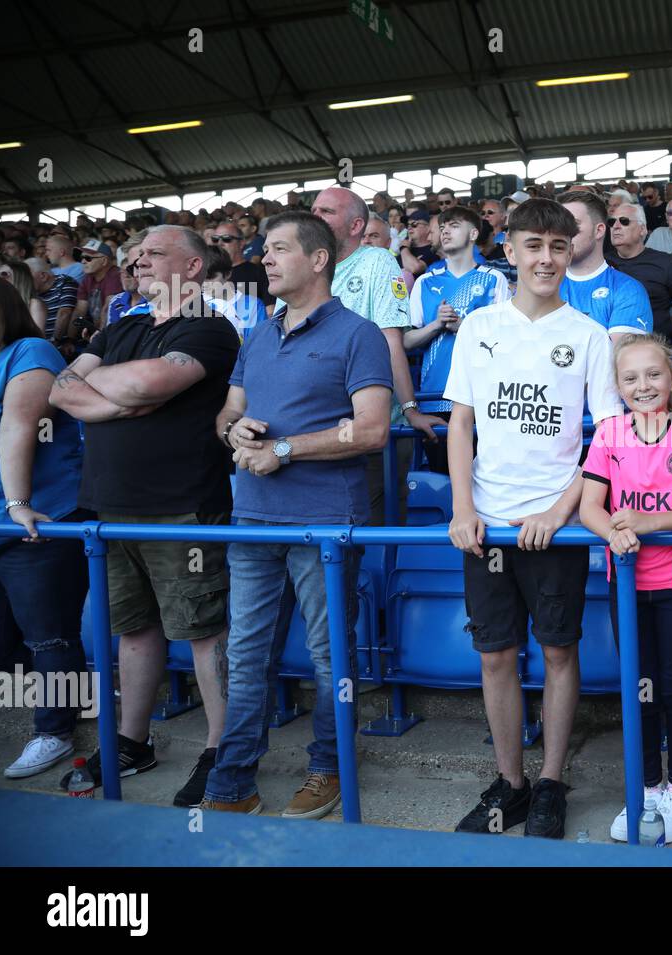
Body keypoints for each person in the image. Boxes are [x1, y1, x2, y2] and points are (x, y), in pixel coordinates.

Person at [202, 212, 393, 818]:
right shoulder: (256, 335)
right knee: (245, 652)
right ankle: (233, 781)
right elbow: (225, 415)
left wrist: (282, 449)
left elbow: (372, 431)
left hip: (325, 521)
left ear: (318, 259)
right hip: (253, 517)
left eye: (279, 249)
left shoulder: (359, 333)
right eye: (264, 250)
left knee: (329, 655)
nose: (265, 258)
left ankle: (329, 769)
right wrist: (239, 433)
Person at [46, 224, 240, 807]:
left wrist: (108, 387)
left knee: (204, 633)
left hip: (183, 506)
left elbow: (151, 380)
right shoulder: (122, 326)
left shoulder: (211, 329)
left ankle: (222, 751)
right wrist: (126, 396)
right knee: (133, 630)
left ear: (196, 267)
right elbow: (60, 390)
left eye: (155, 253)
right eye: (135, 257)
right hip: (111, 508)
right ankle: (132, 740)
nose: (139, 263)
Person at [445, 198, 620, 839]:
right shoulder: (477, 326)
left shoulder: (589, 335)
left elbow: (606, 441)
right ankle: (509, 783)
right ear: (511, 251)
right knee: (495, 656)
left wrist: (557, 509)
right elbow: (460, 422)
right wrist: (463, 507)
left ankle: (550, 782)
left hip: (558, 526)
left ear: (570, 250)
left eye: (557, 245)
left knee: (557, 650)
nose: (546, 258)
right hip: (487, 525)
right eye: (533, 245)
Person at [580, 333, 672, 844]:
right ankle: (642, 788)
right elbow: (590, 505)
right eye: (631, 377)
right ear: (617, 386)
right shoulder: (609, 434)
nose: (643, 385)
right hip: (626, 584)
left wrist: (646, 522)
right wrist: (614, 531)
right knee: (637, 687)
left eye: (653, 374)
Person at [0, 281, 90, 780]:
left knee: (48, 637)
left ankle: (54, 730)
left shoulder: (31, 350)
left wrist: (17, 503)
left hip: (39, 518)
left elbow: (19, 425)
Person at [311, 185, 443, 521]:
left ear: (355, 226)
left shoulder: (377, 260)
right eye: (314, 209)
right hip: (309, 429)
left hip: (365, 433)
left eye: (327, 211)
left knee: (367, 538)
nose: (315, 216)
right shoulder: (303, 267)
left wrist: (410, 408)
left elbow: (390, 340)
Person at [403, 205, 511, 472]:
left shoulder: (493, 279)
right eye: (442, 227)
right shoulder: (425, 282)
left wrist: (463, 326)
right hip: (435, 397)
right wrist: (437, 325)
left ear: (473, 233)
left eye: (453, 225)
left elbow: (507, 341)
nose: (445, 231)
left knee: (484, 480)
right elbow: (406, 341)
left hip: (483, 397)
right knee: (443, 479)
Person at [556, 190, 651, 340]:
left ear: (599, 230)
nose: (562, 233)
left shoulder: (628, 290)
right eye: (559, 225)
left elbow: (618, 359)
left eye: (572, 224)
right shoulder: (542, 286)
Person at [608, 203, 672, 337]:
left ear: (642, 229)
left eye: (624, 221)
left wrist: (665, 331)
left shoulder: (666, 263)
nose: (616, 227)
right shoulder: (601, 263)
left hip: (652, 348)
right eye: (611, 222)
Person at [203, 244, 266, 340]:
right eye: (200, 277)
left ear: (228, 274)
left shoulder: (253, 305)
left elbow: (258, 346)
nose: (204, 284)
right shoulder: (190, 303)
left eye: (211, 278)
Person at [209, 220, 273, 310]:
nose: (220, 243)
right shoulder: (205, 273)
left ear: (242, 243)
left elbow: (270, 311)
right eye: (215, 239)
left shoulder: (259, 272)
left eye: (227, 239)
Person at [27, 258, 78, 350]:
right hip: (45, 346)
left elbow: (65, 313)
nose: (25, 281)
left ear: (43, 276)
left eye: (27, 276)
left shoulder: (64, 282)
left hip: (67, 346)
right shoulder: (32, 293)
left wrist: (55, 341)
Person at [72, 239, 123, 331]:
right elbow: (79, 311)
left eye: (88, 258)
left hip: (114, 332)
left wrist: (99, 340)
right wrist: (68, 340)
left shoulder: (116, 276)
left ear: (104, 261)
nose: (83, 261)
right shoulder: (88, 278)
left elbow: (108, 310)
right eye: (82, 258)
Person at [0, 258, 50, 335]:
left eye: (4, 274)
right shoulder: (3, 303)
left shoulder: (34, 304)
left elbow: (37, 337)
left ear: (20, 277)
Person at [106, 236, 147, 325]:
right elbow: (111, 333)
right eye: (122, 272)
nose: (126, 276)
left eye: (130, 270)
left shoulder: (157, 302)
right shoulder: (116, 301)